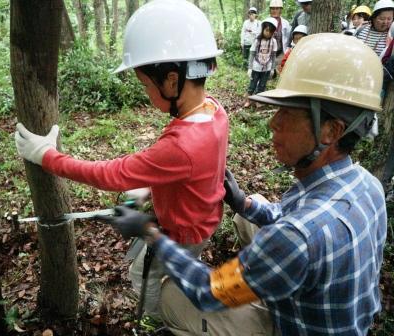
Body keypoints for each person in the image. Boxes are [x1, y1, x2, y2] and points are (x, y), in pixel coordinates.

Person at [106, 33, 387, 336]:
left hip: (296, 326)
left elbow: (208, 290)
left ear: (331, 131)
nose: (273, 123)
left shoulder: (297, 238)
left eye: (288, 114)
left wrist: (150, 233)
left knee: (173, 296)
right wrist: (243, 203)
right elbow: (291, 218)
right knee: (250, 211)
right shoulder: (366, 184)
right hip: (327, 307)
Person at [14, 0, 229, 322]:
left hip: (181, 232)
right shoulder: (213, 110)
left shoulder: (182, 144)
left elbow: (110, 174)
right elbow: (186, 171)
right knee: (155, 267)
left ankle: (160, 320)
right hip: (200, 220)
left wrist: (47, 156)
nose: (145, 92)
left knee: (145, 276)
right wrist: (144, 188)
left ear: (172, 80)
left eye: (145, 85)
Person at [245, 18, 278, 108]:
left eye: (270, 31)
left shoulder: (273, 42)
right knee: (252, 84)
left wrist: (272, 69)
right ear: (263, 29)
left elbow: (273, 56)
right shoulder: (257, 40)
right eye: (266, 30)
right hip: (256, 67)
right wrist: (250, 68)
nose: (268, 33)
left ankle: (258, 101)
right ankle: (248, 100)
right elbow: (252, 54)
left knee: (262, 86)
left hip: (267, 68)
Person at [268, 0, 291, 68]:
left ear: (280, 10)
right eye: (272, 8)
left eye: (277, 8)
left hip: (281, 53)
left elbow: (289, 38)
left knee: (280, 70)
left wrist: (287, 50)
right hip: (268, 53)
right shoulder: (265, 22)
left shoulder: (285, 23)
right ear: (270, 10)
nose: (274, 10)